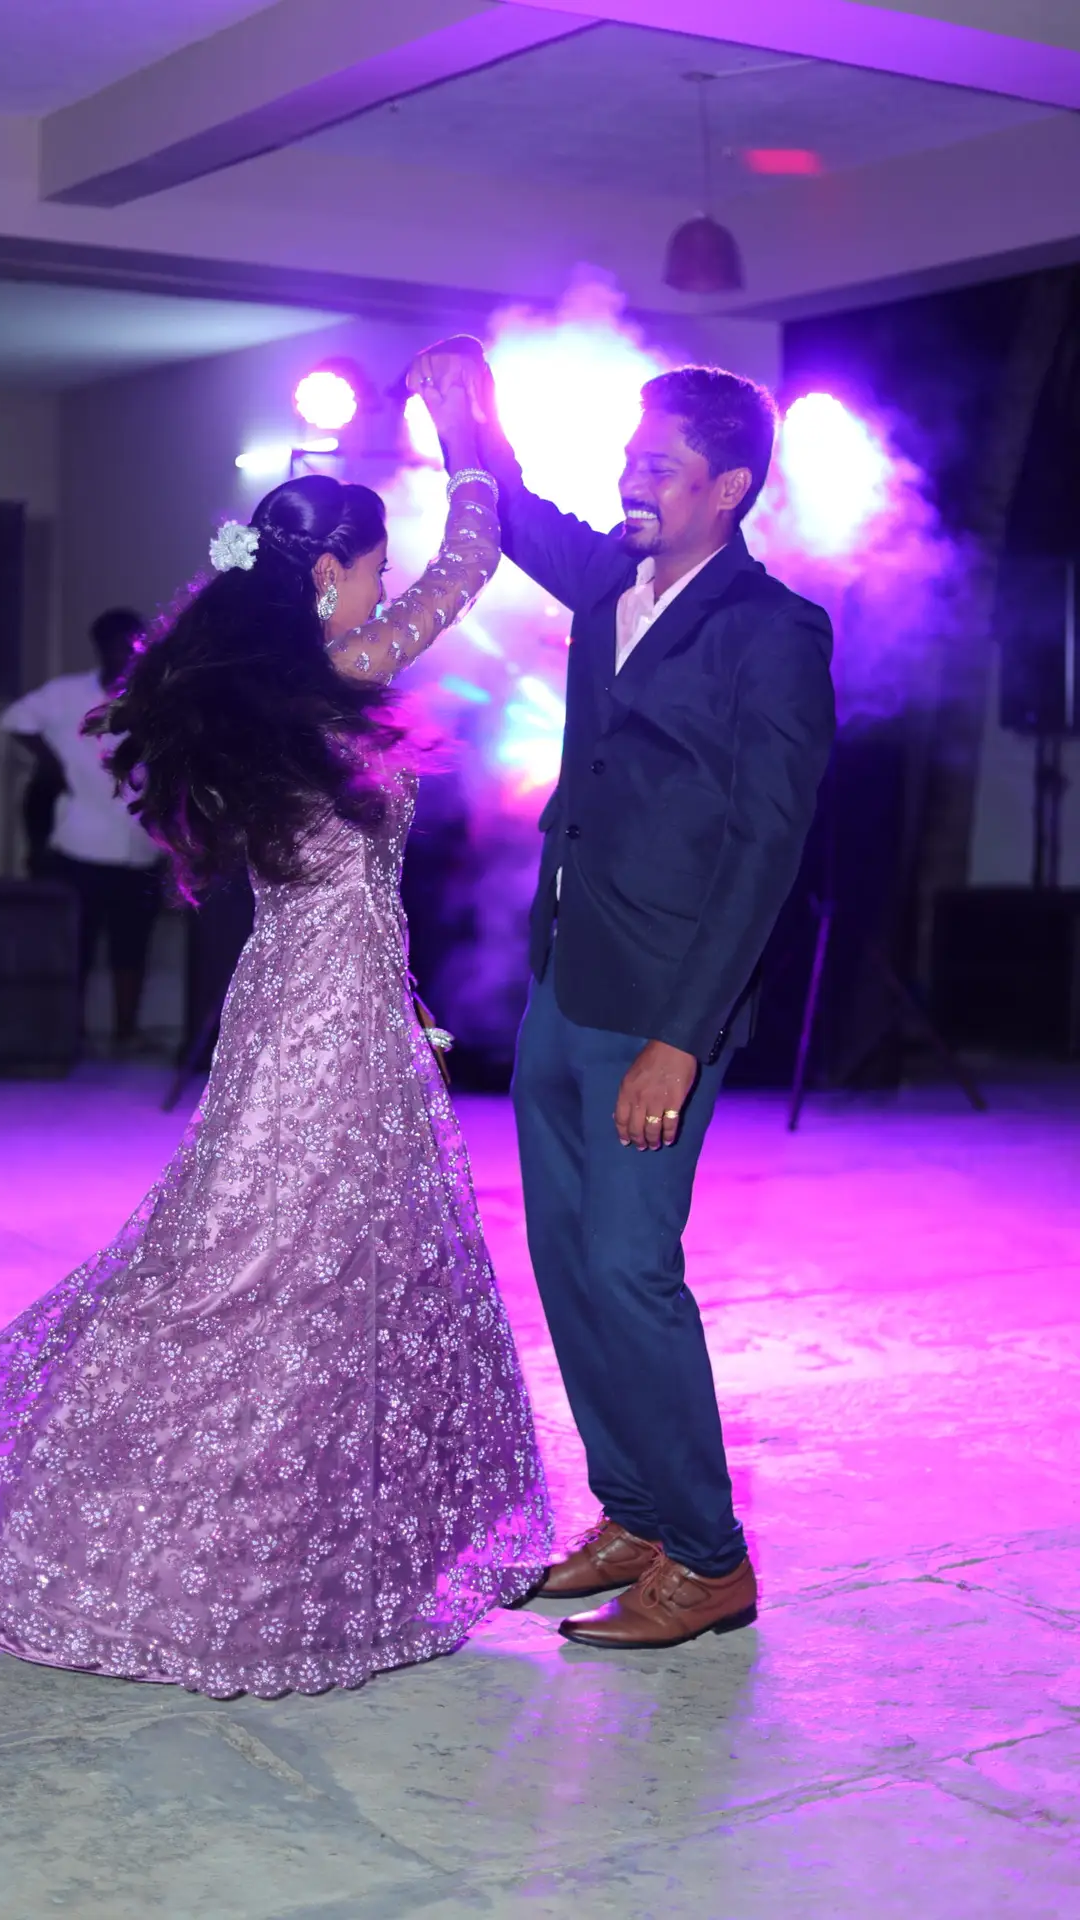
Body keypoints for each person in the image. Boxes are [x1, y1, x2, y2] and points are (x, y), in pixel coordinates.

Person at [0, 381, 551, 1700]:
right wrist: (468, 445)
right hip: (323, 1013)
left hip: (313, 996)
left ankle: (273, 1546)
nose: (383, 588)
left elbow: (346, 892)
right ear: (330, 576)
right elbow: (467, 568)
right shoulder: (334, 676)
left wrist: (402, 996)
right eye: (371, 568)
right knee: (281, 1275)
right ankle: (183, 1558)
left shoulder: (265, 693)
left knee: (289, 1269)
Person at [409, 341, 835, 1650]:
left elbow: (764, 849)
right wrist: (466, 421)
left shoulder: (773, 631)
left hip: (663, 1005)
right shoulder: (612, 581)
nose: (630, 481)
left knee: (628, 1267)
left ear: (728, 487)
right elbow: (517, 512)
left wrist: (681, 1039)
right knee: (566, 1261)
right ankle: (637, 1513)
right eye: (629, 459)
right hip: (570, 976)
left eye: (658, 465)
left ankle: (708, 1559)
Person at [1, 609, 162, 1049]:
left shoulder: (154, 700)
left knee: (132, 945)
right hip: (80, 844)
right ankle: (68, 1029)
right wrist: (49, 762)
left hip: (138, 844)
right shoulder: (67, 694)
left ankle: (126, 1031)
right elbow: (14, 719)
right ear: (101, 648)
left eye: (136, 646)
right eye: (120, 646)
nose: (128, 655)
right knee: (77, 944)